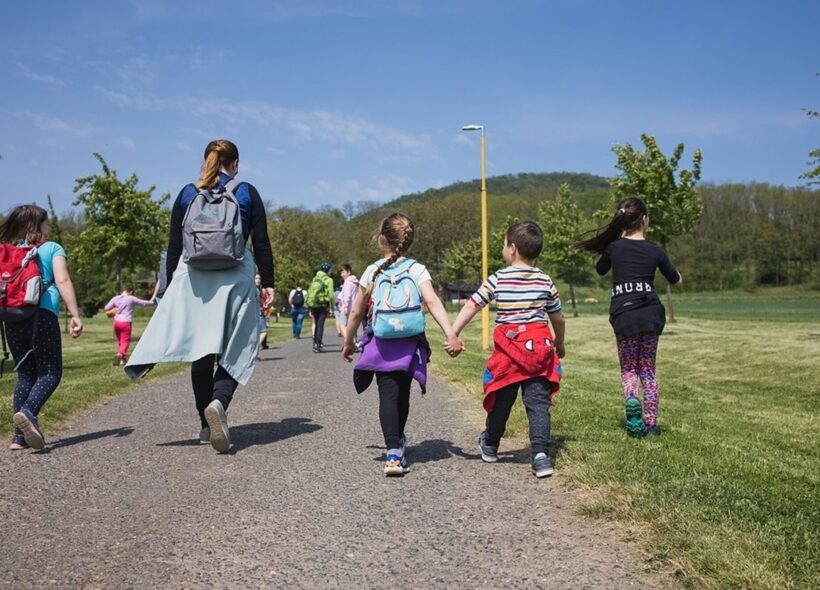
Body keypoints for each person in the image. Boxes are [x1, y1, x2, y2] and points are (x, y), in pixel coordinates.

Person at [125, 139, 274, 453]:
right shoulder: (246, 191)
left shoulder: (187, 193)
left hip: (194, 278)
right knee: (239, 347)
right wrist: (269, 283)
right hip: (236, 275)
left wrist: (167, 290)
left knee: (202, 352)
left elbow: (174, 246)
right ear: (234, 163)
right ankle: (219, 402)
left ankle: (206, 426)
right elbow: (261, 242)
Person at [341, 213, 461, 476]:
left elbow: (355, 313)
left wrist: (349, 342)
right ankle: (397, 446)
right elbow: (431, 301)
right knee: (402, 392)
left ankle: (392, 452)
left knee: (387, 394)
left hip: (382, 341)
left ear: (381, 238)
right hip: (408, 341)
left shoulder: (372, 271)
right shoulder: (417, 269)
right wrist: (450, 333)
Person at [447, 221, 565, 478]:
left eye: (503, 244)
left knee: (502, 400)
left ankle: (490, 444)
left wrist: (453, 332)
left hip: (509, 354)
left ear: (512, 248)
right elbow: (558, 318)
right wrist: (560, 342)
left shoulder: (498, 279)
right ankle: (541, 456)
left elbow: (472, 306)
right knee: (537, 403)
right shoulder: (545, 280)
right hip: (539, 353)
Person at [574, 196, 682, 437]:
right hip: (650, 315)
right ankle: (651, 424)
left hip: (625, 316)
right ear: (645, 220)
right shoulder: (655, 250)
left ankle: (632, 404)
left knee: (629, 370)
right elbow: (675, 279)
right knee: (648, 370)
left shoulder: (614, 248)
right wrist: (679, 277)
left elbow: (600, 269)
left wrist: (616, 240)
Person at [0, 205, 83, 451]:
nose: (49, 227)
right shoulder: (51, 248)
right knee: (51, 372)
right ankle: (28, 412)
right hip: (42, 316)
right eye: (46, 222)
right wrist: (75, 315)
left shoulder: (7, 252)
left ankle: (18, 437)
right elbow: (62, 279)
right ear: (38, 225)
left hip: (12, 318)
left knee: (26, 374)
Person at [104, 283, 155, 366]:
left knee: (120, 341)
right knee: (126, 341)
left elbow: (106, 307)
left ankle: (122, 360)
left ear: (122, 290)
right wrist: (152, 302)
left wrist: (115, 309)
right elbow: (143, 303)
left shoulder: (115, 298)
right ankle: (119, 355)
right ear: (130, 291)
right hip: (126, 322)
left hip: (116, 322)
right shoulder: (130, 298)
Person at [306, 262, 334, 352]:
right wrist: (331, 307)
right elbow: (331, 296)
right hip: (322, 304)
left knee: (316, 324)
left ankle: (315, 343)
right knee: (320, 325)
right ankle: (318, 345)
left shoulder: (315, 278)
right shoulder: (329, 280)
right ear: (327, 270)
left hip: (313, 304)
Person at [338, 263, 359, 341]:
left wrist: (345, 307)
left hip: (347, 308)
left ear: (349, 272)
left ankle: (349, 341)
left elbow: (347, 296)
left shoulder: (347, 282)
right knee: (352, 326)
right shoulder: (355, 282)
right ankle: (354, 340)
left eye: (343, 272)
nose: (341, 274)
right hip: (355, 307)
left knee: (342, 325)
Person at [254, 274, 270, 357]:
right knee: (263, 332)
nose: (258, 280)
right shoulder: (254, 290)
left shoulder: (257, 290)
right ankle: (254, 349)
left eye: (259, 278)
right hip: (257, 313)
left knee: (257, 334)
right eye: (256, 278)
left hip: (257, 312)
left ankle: (255, 352)